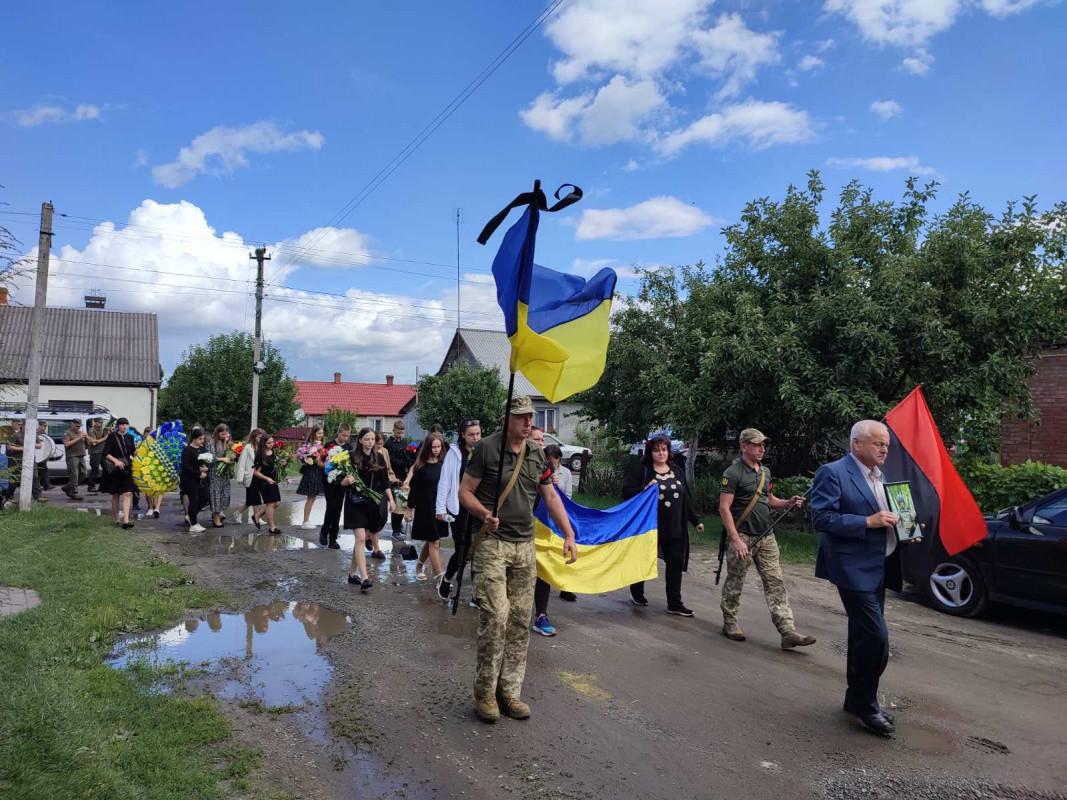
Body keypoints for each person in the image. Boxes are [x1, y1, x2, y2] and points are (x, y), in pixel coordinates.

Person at [459, 395, 579, 723]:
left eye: (531, 417)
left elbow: (550, 496)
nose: (528, 423)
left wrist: (568, 533)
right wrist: (484, 513)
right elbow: (465, 491)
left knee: (519, 622)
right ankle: (485, 692)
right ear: (507, 418)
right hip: (492, 544)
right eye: (521, 417)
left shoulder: (537, 454)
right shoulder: (486, 448)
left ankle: (509, 692)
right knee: (496, 615)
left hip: (525, 547)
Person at [811, 419, 921, 737]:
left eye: (886, 443)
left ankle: (853, 698)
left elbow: (889, 518)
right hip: (851, 568)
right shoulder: (833, 472)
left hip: (880, 566)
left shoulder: (881, 477)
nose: (885, 448)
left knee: (862, 637)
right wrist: (867, 521)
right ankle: (865, 705)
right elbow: (821, 518)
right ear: (857, 444)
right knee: (877, 640)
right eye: (878, 443)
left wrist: (906, 531)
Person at [718, 428, 817, 648]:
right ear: (744, 446)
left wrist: (788, 503)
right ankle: (730, 622)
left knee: (775, 582)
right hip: (742, 536)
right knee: (735, 582)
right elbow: (724, 509)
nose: (762, 448)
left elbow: (769, 499)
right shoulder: (732, 473)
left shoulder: (765, 472)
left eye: (763, 444)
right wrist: (735, 539)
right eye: (756, 444)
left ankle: (787, 631)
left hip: (766, 536)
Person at [622, 435, 704, 616]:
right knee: (644, 560)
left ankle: (674, 603)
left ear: (669, 452)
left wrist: (695, 520)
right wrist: (643, 489)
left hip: (675, 526)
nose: (661, 453)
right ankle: (637, 592)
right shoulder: (643, 471)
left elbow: (685, 498)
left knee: (675, 564)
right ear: (651, 453)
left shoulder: (677, 471)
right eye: (657, 450)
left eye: (664, 449)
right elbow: (626, 492)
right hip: (649, 527)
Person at [342, 427, 394, 591]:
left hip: (371, 503)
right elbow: (338, 479)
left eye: (372, 439)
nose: (370, 442)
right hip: (355, 502)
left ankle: (352, 574)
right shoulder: (350, 457)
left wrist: (391, 499)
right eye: (367, 439)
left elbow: (384, 482)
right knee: (360, 538)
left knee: (361, 539)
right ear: (360, 440)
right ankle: (365, 577)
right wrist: (344, 481)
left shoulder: (378, 457)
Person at [435, 418, 482, 602]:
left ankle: (476, 595)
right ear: (463, 435)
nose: (475, 438)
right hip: (458, 508)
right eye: (471, 435)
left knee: (479, 550)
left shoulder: (483, 451)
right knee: (462, 549)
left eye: (478, 434)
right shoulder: (454, 453)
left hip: (478, 507)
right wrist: (440, 507)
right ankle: (447, 578)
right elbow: (445, 481)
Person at [531, 444, 574, 636]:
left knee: (544, 569)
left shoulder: (550, 472)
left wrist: (569, 534)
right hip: (518, 528)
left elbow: (555, 500)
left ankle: (541, 615)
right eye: (536, 439)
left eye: (541, 439)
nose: (539, 443)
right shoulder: (523, 463)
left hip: (545, 528)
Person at [406, 433, 450, 581]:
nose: (436, 450)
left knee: (433, 540)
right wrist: (409, 509)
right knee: (434, 541)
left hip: (439, 508)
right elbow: (415, 489)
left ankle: (419, 566)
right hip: (425, 508)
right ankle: (440, 578)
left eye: (438, 447)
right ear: (428, 447)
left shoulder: (443, 464)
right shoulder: (421, 467)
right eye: (433, 447)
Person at [319, 423, 352, 548]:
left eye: (348, 436)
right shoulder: (329, 445)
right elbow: (320, 461)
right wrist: (329, 467)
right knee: (331, 505)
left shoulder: (349, 447)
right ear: (338, 433)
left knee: (338, 508)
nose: (346, 438)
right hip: (329, 480)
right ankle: (324, 530)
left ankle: (333, 538)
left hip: (342, 481)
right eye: (344, 435)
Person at [101, 417, 136, 528]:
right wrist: (116, 461)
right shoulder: (112, 436)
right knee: (116, 495)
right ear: (118, 426)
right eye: (122, 425)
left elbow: (132, 452)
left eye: (126, 424)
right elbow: (106, 452)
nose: (124, 426)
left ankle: (126, 519)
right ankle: (116, 519)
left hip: (127, 468)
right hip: (115, 469)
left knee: (128, 493)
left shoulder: (130, 437)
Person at [384, 420, 412, 540]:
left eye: (402, 433)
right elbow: (390, 460)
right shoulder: (388, 444)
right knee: (396, 502)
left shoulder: (405, 442)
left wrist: (410, 457)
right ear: (394, 430)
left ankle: (399, 524)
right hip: (393, 475)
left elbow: (407, 456)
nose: (400, 435)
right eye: (398, 432)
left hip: (403, 475)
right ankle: (395, 529)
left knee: (403, 501)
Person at [295, 425, 327, 530]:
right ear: (313, 434)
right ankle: (305, 521)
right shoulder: (309, 446)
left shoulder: (321, 445)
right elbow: (308, 458)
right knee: (311, 497)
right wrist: (312, 455)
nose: (320, 435)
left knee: (313, 497)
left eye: (322, 433)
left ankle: (307, 520)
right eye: (318, 433)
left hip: (318, 472)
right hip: (312, 472)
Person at [250, 435, 283, 534]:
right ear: (263, 443)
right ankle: (272, 527)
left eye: (272, 442)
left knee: (277, 503)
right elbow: (256, 472)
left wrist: (282, 463)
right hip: (264, 482)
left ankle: (257, 515)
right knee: (271, 503)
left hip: (273, 481)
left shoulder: (273, 452)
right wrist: (267, 478)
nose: (271, 444)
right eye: (269, 443)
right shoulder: (260, 455)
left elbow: (275, 465)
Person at [180, 426, 210, 533]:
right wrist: (198, 473)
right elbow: (186, 466)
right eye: (200, 439)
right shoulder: (187, 450)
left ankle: (191, 516)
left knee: (206, 497)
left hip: (202, 478)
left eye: (203, 439)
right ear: (194, 439)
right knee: (194, 499)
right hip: (190, 479)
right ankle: (193, 524)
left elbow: (208, 461)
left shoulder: (203, 449)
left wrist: (206, 468)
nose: (202, 441)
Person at [234, 428, 265, 527]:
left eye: (262, 437)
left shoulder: (262, 447)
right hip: (250, 475)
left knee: (252, 498)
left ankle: (238, 513)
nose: (261, 439)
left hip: (259, 474)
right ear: (254, 437)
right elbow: (242, 462)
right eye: (260, 437)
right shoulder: (248, 447)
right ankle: (257, 518)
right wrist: (240, 476)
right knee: (254, 497)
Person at [8, 421, 44, 502]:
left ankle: (37, 496)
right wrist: (24, 448)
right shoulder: (16, 435)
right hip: (17, 460)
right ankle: (9, 496)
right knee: (15, 478)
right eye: (27, 426)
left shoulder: (33, 435)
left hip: (30, 459)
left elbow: (39, 445)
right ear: (23, 426)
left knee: (34, 476)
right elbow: (10, 447)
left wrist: (32, 444)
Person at [209, 424, 234, 528]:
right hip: (215, 472)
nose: (224, 435)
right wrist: (222, 459)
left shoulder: (227, 443)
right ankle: (216, 518)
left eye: (226, 433)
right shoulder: (212, 442)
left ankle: (218, 513)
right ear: (217, 433)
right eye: (222, 434)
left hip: (224, 473)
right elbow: (210, 457)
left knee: (224, 492)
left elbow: (230, 453)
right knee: (216, 493)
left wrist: (231, 455)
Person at [62, 419, 89, 500]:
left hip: (81, 455)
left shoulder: (81, 433)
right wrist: (79, 437)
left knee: (84, 474)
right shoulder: (67, 433)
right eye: (77, 426)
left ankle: (67, 487)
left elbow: (87, 446)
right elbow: (66, 444)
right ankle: (74, 493)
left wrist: (87, 438)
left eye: (79, 426)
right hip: (72, 456)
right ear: (72, 424)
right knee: (74, 476)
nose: (78, 428)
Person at [86, 419, 107, 492]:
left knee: (106, 469)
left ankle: (103, 486)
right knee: (95, 470)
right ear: (95, 422)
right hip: (95, 452)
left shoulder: (102, 430)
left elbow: (106, 439)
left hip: (103, 452)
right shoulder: (91, 430)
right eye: (100, 422)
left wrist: (108, 434)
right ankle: (91, 486)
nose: (101, 424)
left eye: (102, 422)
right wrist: (105, 438)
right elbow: (93, 442)